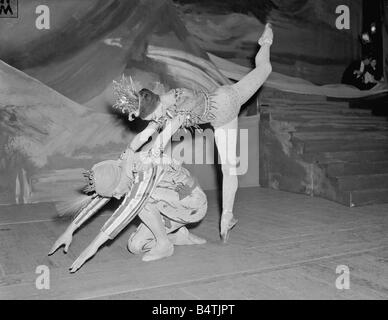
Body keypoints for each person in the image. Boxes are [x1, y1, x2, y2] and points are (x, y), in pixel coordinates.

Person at [112, 23, 274, 243]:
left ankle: (266, 41)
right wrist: (126, 154)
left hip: (229, 98)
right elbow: (146, 134)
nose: (153, 122)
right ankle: (228, 216)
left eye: (151, 118)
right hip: (221, 120)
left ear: (155, 106)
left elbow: (167, 132)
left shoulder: (179, 98)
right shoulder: (159, 110)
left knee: (264, 70)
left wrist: (152, 152)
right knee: (228, 169)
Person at [49, 149, 208, 272]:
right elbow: (102, 196)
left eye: (116, 192)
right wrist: (70, 230)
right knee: (136, 246)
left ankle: (164, 244)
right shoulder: (120, 168)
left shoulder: (144, 169)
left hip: (192, 205)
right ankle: (180, 236)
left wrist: (92, 247)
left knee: (140, 201)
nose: (117, 197)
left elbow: (129, 208)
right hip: (169, 206)